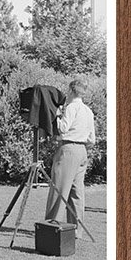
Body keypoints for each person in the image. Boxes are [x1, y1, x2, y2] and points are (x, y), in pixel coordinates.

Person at [44, 78, 96, 235]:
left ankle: (51, 227)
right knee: (76, 193)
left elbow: (63, 129)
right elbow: (91, 139)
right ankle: (75, 230)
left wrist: (57, 116)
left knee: (59, 189)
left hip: (69, 150)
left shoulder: (72, 107)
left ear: (72, 90)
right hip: (82, 152)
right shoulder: (88, 111)